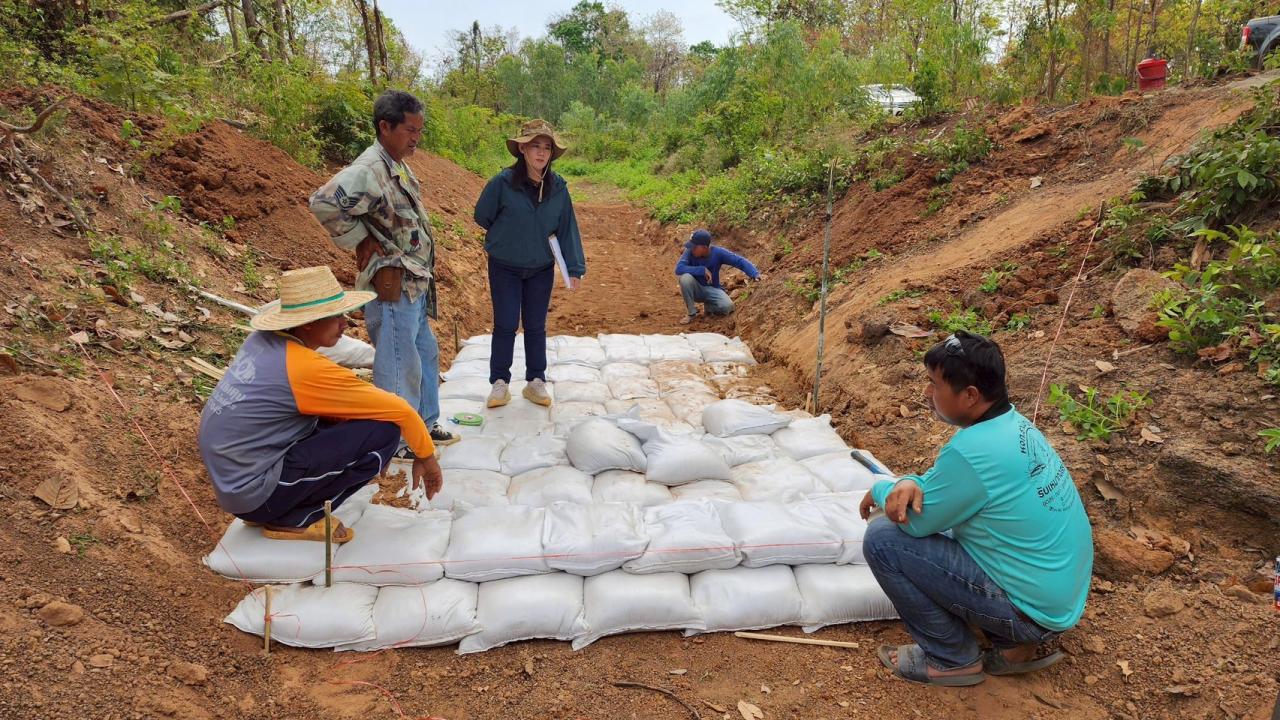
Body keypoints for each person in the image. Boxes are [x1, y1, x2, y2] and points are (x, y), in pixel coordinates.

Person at [858, 331, 1093, 686]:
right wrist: (911, 481)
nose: (927, 393)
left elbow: (912, 523)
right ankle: (1012, 645)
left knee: (883, 539)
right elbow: (947, 489)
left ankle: (951, 659)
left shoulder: (973, 450)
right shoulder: (1013, 426)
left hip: (1031, 614)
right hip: (1057, 605)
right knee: (953, 525)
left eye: (934, 384)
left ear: (969, 395)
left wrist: (881, 487)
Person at [198, 266, 444, 542]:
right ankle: (296, 518)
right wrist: (426, 457)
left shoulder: (263, 343)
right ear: (308, 323)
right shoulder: (304, 368)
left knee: (342, 419)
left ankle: (279, 504)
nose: (346, 323)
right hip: (255, 493)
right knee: (384, 432)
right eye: (336, 316)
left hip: (236, 486)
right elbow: (400, 410)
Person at [310, 89, 457, 451]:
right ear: (385, 127)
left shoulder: (397, 166)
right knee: (396, 362)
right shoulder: (369, 168)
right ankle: (399, 438)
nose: (416, 139)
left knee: (423, 354)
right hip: (392, 286)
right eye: (410, 131)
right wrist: (360, 239)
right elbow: (324, 202)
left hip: (414, 285)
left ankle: (423, 423)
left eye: (419, 131)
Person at [473, 118, 586, 409]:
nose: (541, 153)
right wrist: (508, 235)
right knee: (506, 323)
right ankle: (499, 383)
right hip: (505, 265)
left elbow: (567, 227)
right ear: (522, 149)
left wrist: (574, 268)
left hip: (540, 267)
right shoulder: (502, 183)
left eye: (546, 147)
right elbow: (482, 215)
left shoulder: (558, 187)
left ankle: (535, 380)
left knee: (536, 325)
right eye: (535, 146)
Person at [673, 229, 762, 325]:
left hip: (712, 289)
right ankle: (691, 313)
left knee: (728, 306)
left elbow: (738, 261)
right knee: (685, 278)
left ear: (704, 247)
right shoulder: (689, 252)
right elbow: (679, 269)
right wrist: (701, 270)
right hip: (696, 289)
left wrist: (755, 273)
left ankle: (709, 307)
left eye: (694, 247)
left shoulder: (718, 253)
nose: (692, 249)